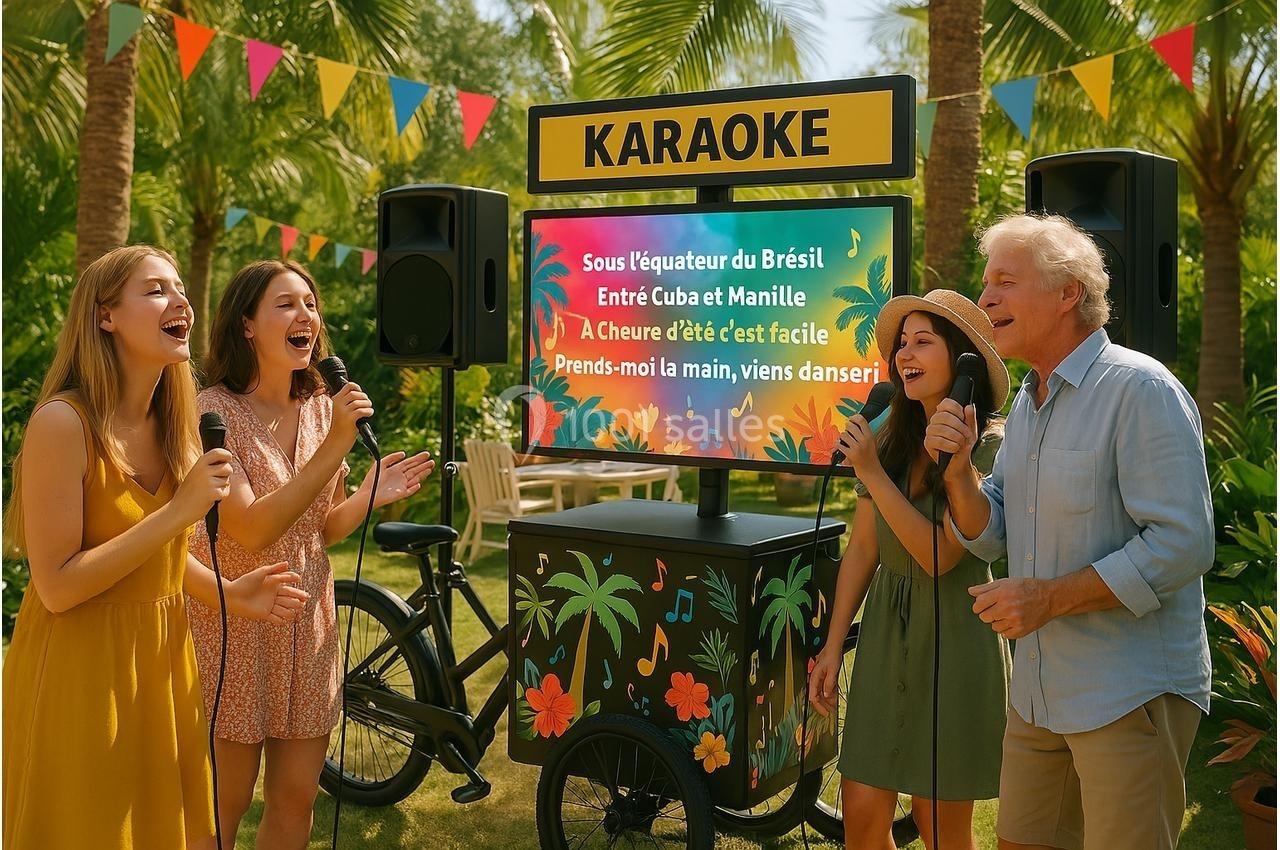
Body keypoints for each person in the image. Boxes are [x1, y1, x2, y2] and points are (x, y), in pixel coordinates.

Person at [2, 245, 308, 849]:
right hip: (81, 667)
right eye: (156, 290)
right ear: (105, 316)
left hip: (165, 660)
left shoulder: (175, 424)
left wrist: (227, 593)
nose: (181, 302)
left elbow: (156, 553)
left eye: (180, 289)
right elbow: (58, 586)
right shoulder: (62, 424)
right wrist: (178, 512)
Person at [926, 213, 1213, 850]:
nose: (985, 298)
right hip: (1038, 695)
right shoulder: (1027, 403)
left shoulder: (1140, 389)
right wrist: (958, 473)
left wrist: (1050, 598)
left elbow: (1184, 543)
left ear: (1068, 293)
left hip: (1128, 693)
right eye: (986, 282)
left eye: (1006, 282)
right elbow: (994, 530)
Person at [188, 259, 434, 849]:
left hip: (309, 622)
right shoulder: (210, 412)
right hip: (235, 625)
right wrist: (336, 447)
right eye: (286, 304)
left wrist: (368, 495)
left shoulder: (324, 407)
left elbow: (319, 529)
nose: (306, 316)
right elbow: (251, 529)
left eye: (311, 304)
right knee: (224, 803)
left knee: (296, 799)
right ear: (247, 325)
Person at [810, 289, 1012, 850]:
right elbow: (862, 550)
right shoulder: (889, 438)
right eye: (902, 343)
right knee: (860, 812)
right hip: (885, 632)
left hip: (954, 637)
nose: (905, 354)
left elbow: (938, 557)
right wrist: (832, 646)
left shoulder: (987, 447)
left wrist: (872, 474)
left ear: (963, 360)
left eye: (923, 341)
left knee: (938, 823)